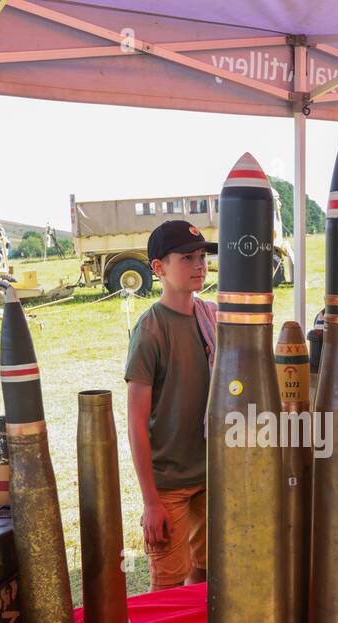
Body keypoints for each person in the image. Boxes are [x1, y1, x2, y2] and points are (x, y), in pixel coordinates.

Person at [124, 221, 217, 591]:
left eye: (202, 257)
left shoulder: (212, 318)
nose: (199, 265)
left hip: (211, 472)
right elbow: (136, 421)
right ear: (158, 268)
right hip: (169, 485)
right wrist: (151, 502)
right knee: (168, 586)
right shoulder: (150, 330)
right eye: (186, 258)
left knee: (208, 574)